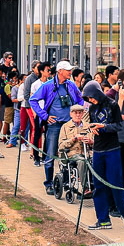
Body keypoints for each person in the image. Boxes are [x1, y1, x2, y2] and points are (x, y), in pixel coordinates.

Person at [83, 80, 124, 230]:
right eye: (88, 99)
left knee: (115, 184)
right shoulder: (92, 108)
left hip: (112, 149)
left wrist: (104, 127)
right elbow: (92, 123)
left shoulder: (112, 105)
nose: (90, 100)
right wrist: (93, 129)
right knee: (98, 186)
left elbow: (119, 125)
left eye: (91, 97)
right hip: (98, 150)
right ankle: (103, 219)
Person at [31, 61, 84, 195]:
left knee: (70, 153)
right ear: (60, 71)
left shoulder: (71, 85)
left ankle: (67, 181)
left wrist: (79, 114)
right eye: (67, 70)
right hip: (54, 126)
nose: (70, 72)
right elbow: (33, 100)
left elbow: (80, 100)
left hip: (69, 126)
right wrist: (44, 116)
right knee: (50, 154)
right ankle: (49, 183)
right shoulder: (48, 86)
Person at [58, 103, 93, 190]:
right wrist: (73, 139)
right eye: (75, 113)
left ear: (83, 114)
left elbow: (95, 143)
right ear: (71, 114)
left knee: (98, 161)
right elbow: (61, 146)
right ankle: (85, 188)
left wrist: (90, 141)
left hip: (88, 153)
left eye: (80, 113)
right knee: (82, 161)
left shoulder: (88, 126)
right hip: (72, 154)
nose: (78, 115)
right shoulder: (65, 127)